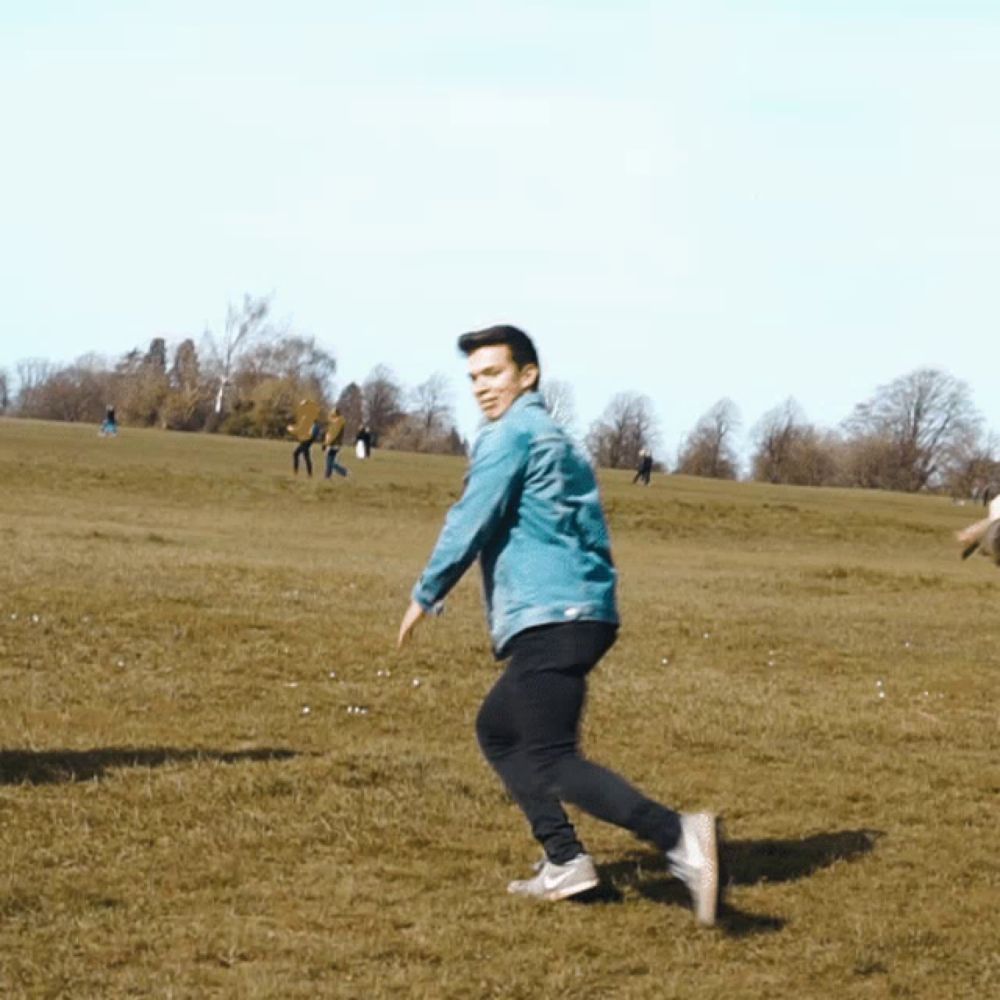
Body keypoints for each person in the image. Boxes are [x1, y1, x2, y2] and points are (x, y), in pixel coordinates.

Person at [397, 325, 721, 926]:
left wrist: (426, 592)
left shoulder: (511, 434)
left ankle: (679, 837)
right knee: (498, 730)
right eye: (473, 378)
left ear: (528, 375)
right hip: (582, 611)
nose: (481, 388)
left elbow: (472, 516)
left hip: (554, 616)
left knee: (549, 757)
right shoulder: (557, 438)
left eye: (494, 373)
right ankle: (566, 860)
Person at [322, 407, 350, 479]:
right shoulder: (337, 422)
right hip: (335, 444)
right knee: (329, 460)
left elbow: (332, 435)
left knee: (330, 462)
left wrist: (326, 444)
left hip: (333, 444)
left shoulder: (337, 422)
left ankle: (344, 472)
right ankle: (327, 477)